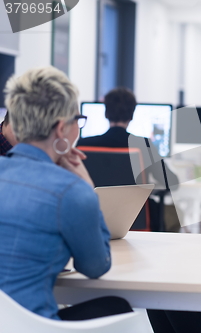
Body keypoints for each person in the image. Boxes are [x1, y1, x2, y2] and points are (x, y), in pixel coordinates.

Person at [0, 66, 133, 320]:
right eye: (78, 120)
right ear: (62, 129)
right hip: (31, 327)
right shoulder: (71, 192)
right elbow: (96, 266)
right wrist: (86, 187)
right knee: (117, 308)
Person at [77, 87, 180, 232]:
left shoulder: (83, 145)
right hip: (136, 220)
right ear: (132, 115)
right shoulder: (144, 145)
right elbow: (172, 183)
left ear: (106, 113)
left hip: (91, 218)